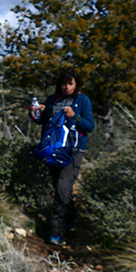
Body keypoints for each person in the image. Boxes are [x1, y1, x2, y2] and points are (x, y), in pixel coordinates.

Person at [29, 68, 95, 246]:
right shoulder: (52, 100)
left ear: (76, 84)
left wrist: (76, 117)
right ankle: (72, 217)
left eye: (70, 83)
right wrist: (34, 114)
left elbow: (90, 126)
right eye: (63, 83)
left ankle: (56, 231)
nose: (66, 87)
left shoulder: (82, 101)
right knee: (61, 190)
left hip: (73, 152)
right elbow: (43, 121)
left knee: (61, 189)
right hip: (53, 151)